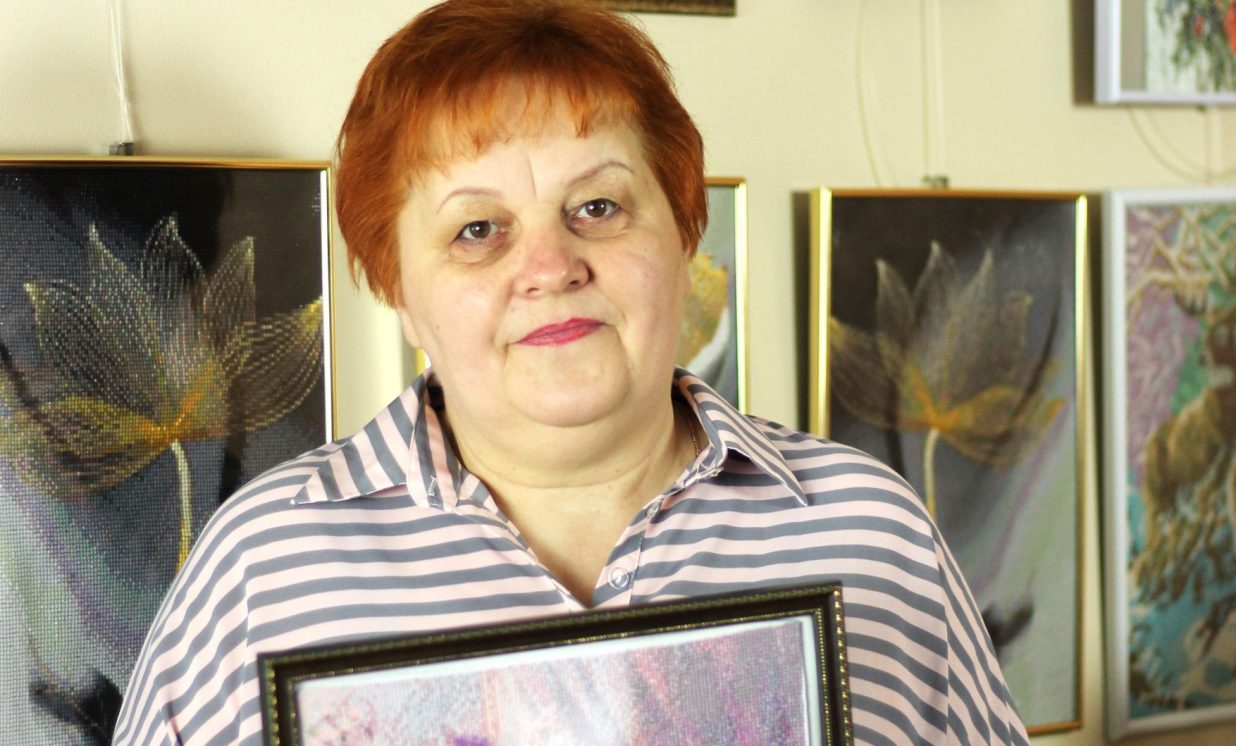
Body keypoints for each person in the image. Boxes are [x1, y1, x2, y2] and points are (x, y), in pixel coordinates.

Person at [114, 0, 1030, 743]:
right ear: (399, 289)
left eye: (597, 207)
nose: (550, 267)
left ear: (684, 237)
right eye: (478, 229)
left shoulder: (871, 533)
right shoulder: (261, 569)